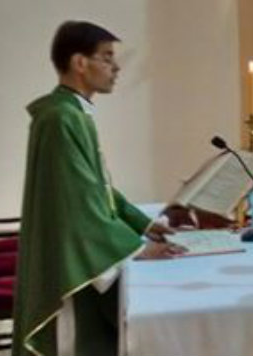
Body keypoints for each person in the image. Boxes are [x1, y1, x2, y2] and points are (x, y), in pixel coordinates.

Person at [13, 21, 185, 356]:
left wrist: (143, 225)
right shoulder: (63, 118)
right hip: (69, 260)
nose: (116, 67)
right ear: (80, 63)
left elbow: (99, 187)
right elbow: (79, 202)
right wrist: (135, 248)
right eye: (106, 57)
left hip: (77, 248)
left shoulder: (72, 112)